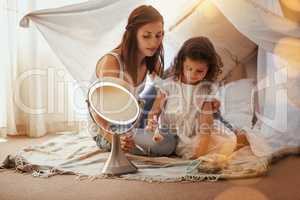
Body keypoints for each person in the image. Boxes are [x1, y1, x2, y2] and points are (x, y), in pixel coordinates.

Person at [88, 5, 178, 156]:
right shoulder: (112, 62)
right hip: (107, 128)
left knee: (167, 85)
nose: (154, 42)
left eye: (159, 35)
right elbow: (96, 111)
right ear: (133, 34)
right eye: (146, 36)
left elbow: (165, 88)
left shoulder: (150, 59)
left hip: (132, 116)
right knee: (167, 144)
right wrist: (116, 138)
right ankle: (133, 139)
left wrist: (154, 112)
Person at [146, 36, 249, 159]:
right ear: (182, 63)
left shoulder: (205, 90)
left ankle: (242, 138)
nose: (192, 74)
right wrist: (152, 122)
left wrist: (200, 153)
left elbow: (206, 127)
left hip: (195, 135)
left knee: (225, 143)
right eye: (188, 68)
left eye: (199, 71)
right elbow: (154, 112)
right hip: (170, 134)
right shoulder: (168, 85)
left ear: (208, 69)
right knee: (152, 143)